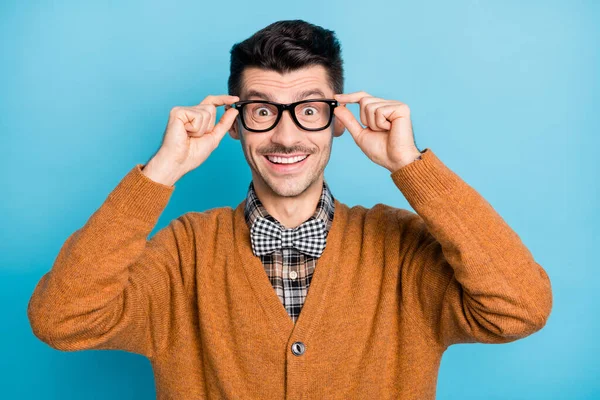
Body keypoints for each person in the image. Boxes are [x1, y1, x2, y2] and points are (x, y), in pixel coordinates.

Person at [27, 19, 553, 399]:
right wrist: (160, 172)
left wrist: (412, 167)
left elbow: (521, 310)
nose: (285, 135)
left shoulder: (402, 249)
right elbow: (62, 321)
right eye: (261, 111)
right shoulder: (185, 252)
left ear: (337, 121)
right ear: (234, 124)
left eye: (308, 111)